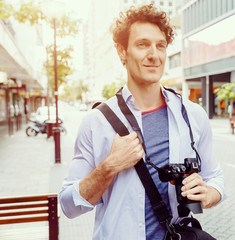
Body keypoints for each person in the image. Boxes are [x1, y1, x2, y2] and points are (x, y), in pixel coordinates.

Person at [59, 4, 225, 239]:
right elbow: (68, 205)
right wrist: (110, 166)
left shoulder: (192, 115)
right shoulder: (96, 122)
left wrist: (208, 193)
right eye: (142, 44)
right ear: (122, 51)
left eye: (160, 46)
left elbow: (215, 178)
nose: (154, 55)